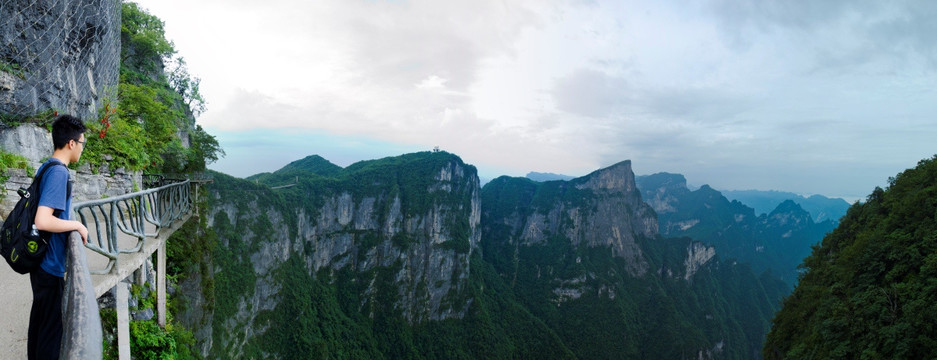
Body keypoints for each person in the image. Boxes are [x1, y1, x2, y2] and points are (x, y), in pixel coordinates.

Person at [28, 114, 89, 360]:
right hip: (50, 263)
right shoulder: (59, 173)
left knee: (40, 323)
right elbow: (42, 219)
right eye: (82, 142)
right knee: (52, 334)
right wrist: (77, 224)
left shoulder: (47, 165)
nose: (83, 148)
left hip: (40, 259)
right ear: (71, 143)